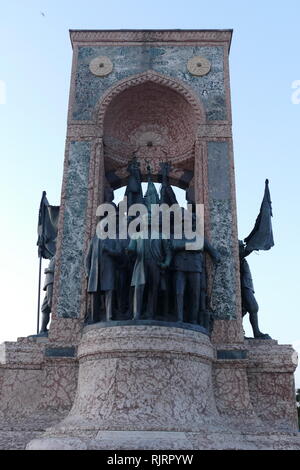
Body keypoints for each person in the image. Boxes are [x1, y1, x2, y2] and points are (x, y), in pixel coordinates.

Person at [239, 240, 271, 339]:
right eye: (240, 247)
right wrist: (253, 244)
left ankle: (241, 332)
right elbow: (245, 251)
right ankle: (255, 332)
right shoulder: (236, 256)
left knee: (244, 310)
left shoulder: (242, 260)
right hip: (243, 286)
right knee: (253, 307)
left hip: (246, 285)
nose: (242, 248)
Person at [39, 256, 55, 334]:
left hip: (51, 283)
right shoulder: (54, 258)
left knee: (49, 304)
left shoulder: (55, 257)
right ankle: (43, 329)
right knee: (45, 308)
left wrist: (48, 270)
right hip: (50, 283)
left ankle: (46, 329)